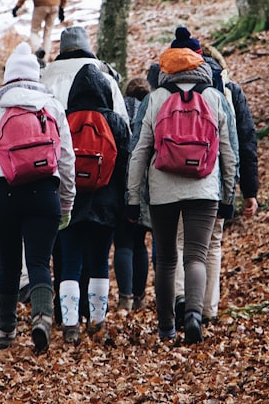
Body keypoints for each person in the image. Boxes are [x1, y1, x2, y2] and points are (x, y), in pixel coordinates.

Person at [126, 34, 238, 344]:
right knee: (196, 257)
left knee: (166, 259)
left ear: (166, 69)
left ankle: (166, 328)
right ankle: (193, 316)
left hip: (163, 191)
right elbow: (229, 151)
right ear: (200, 67)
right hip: (204, 188)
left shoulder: (155, 99)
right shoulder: (214, 97)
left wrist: (133, 197)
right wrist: (229, 195)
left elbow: (139, 152)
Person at [0, 42, 76, 352]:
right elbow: (66, 158)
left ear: (8, 75)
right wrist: (67, 202)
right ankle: (42, 318)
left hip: (4, 193)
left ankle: (6, 330)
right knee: (40, 261)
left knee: (10, 263)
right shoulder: (51, 104)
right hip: (45, 191)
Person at [170, 34, 260, 325]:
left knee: (183, 241)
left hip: (175, 173)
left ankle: (183, 300)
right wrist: (249, 189)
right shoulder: (228, 90)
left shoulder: (168, 87)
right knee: (213, 243)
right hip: (216, 176)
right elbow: (244, 142)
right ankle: (207, 310)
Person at [56, 64, 130, 343]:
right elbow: (124, 166)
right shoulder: (116, 122)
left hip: (70, 203)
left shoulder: (64, 119)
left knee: (70, 263)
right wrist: (125, 205)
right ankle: (97, 322)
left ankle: (70, 325)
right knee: (100, 261)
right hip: (106, 204)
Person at [114, 77, 151, 311]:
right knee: (140, 243)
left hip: (120, 185)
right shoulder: (151, 110)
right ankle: (140, 297)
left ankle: (124, 297)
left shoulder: (118, 112)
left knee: (123, 243)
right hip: (146, 186)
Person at [40, 26, 128, 123]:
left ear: (62, 49)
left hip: (56, 135)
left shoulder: (44, 80)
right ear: (87, 48)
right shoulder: (106, 79)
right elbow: (122, 120)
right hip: (98, 136)